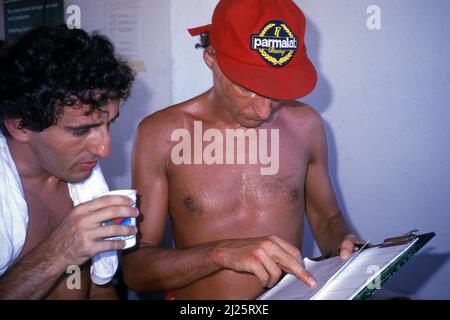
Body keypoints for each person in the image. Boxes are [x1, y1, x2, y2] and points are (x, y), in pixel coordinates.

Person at [123, 0, 362, 300]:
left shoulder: (306, 127)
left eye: (275, 89)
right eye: (246, 86)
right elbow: (135, 270)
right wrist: (220, 254)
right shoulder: (161, 135)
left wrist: (343, 242)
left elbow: (327, 220)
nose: (263, 110)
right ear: (211, 58)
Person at [0, 25, 136, 299]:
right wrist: (58, 253)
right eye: (81, 130)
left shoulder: (83, 180)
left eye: (108, 124)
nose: (104, 149)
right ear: (21, 126)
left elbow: (99, 288)